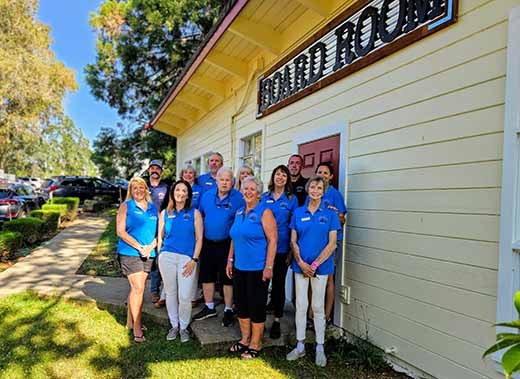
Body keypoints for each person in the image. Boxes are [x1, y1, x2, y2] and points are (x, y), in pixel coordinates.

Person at [286, 176, 340, 367]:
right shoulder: (298, 212)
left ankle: (319, 347)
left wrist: (315, 264)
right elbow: (293, 240)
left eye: (319, 188)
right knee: (301, 305)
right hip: (300, 266)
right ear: (307, 190)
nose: (315, 190)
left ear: (323, 191)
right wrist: (301, 262)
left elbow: (332, 244)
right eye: (312, 187)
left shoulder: (331, 214)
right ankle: (300, 345)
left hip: (321, 268)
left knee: (317, 306)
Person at [227, 176, 277, 359]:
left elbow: (273, 240)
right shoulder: (240, 212)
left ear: (259, 193)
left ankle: (256, 344)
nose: (248, 192)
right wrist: (230, 260)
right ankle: (245, 339)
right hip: (239, 267)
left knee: (256, 306)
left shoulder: (265, 212)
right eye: (245, 188)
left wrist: (269, 266)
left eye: (252, 189)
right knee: (241, 305)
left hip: (258, 269)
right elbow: (235, 237)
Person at [193, 167, 245, 326]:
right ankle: (209, 307)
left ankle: (229, 309)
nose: (224, 182)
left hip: (227, 244)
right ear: (216, 181)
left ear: (233, 182)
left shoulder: (239, 198)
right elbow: (200, 216)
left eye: (228, 180)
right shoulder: (207, 196)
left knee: (227, 278)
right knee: (207, 275)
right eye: (221, 179)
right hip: (208, 242)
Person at [157, 180, 203, 343]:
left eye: (184, 191)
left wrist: (194, 260)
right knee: (170, 293)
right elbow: (160, 238)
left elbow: (199, 239)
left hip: (187, 259)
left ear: (188, 194)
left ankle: (184, 327)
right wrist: (159, 256)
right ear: (173, 192)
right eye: (178, 190)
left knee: (185, 296)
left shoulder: (194, 213)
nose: (181, 193)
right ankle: (174, 325)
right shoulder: (164, 213)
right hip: (167, 257)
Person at [116, 177, 158, 343]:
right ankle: (138, 327)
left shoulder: (154, 208)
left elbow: (159, 233)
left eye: (141, 187)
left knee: (136, 290)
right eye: (135, 188)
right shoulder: (126, 206)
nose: (139, 191)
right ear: (131, 191)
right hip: (130, 252)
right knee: (138, 288)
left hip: (149, 253)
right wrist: (140, 247)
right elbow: (120, 231)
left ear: (146, 189)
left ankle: (129, 322)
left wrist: (150, 247)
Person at [261, 165, 298, 339]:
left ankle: (276, 320)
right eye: (277, 174)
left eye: (284, 175)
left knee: (278, 285)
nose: (280, 177)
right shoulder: (264, 197)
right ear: (273, 177)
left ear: (287, 179)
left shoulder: (292, 199)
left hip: (283, 247)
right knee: (261, 282)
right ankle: (259, 320)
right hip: (264, 247)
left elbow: (294, 226)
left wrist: (291, 251)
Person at [314, 162, 347, 326]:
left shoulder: (335, 194)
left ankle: (326, 317)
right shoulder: (312, 192)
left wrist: (336, 214)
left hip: (332, 242)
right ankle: (311, 315)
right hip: (315, 241)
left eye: (325, 173)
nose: (322, 175)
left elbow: (343, 219)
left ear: (331, 176)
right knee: (313, 277)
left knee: (328, 278)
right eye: (319, 172)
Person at [145, 159, 170, 306]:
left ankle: (155, 291)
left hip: (160, 229)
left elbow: (168, 208)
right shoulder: (143, 186)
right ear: (149, 170)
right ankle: (134, 293)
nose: (155, 170)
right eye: (152, 168)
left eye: (157, 168)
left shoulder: (166, 188)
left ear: (161, 171)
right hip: (144, 229)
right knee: (139, 261)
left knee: (157, 261)